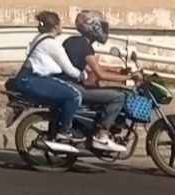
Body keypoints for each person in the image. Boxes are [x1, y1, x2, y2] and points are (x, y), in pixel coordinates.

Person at [59, 10, 131, 153]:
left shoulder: (73, 41)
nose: (104, 30)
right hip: (73, 87)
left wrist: (118, 70)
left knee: (97, 88)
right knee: (118, 96)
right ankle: (102, 135)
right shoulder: (85, 46)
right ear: (92, 27)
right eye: (101, 26)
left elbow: (88, 67)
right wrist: (128, 78)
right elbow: (100, 74)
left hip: (65, 84)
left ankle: (89, 130)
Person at [15, 11, 87, 151]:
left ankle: (60, 125)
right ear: (55, 26)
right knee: (74, 95)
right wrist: (83, 75)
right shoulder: (52, 44)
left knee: (65, 91)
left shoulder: (40, 38)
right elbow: (70, 70)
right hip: (33, 80)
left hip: (27, 78)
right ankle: (65, 131)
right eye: (60, 22)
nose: (62, 25)